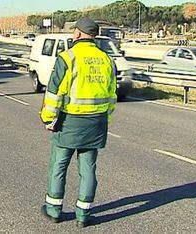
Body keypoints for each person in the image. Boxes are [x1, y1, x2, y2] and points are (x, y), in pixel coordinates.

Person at [40, 18, 117, 228]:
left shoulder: (68, 57)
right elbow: (112, 96)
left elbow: (54, 92)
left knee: (59, 165)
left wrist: (48, 119)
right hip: (97, 123)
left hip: (70, 122)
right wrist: (105, 119)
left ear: (77, 34)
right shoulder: (107, 60)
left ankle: (54, 210)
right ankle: (83, 214)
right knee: (88, 169)